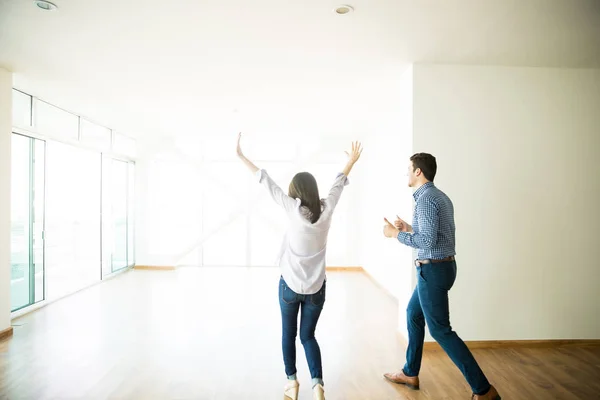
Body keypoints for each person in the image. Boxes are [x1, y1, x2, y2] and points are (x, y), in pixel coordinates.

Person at [236, 133, 362, 400]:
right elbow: (338, 184)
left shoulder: (292, 208)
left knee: (288, 335)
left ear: (296, 192)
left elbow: (265, 181)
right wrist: (351, 161)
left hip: (290, 286)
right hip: (317, 288)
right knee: (308, 337)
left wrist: (241, 157)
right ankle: (318, 385)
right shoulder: (326, 210)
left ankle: (291, 383)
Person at [382, 153, 501, 400]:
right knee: (413, 315)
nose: (406, 173)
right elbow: (435, 236)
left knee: (441, 331)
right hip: (442, 267)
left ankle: (484, 389)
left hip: (432, 270)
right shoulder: (440, 197)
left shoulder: (425, 200)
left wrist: (395, 234)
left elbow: (427, 241)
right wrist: (409, 228)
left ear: (418, 172)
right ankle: (410, 372)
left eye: (409, 169)